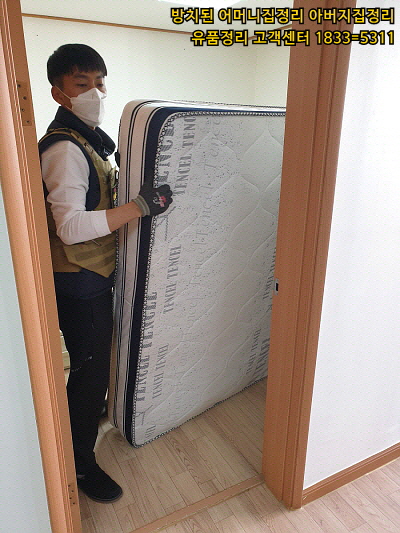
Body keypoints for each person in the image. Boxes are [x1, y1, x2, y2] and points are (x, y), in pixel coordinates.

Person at [39, 44, 172, 503]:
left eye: (99, 82)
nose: (95, 92)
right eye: (82, 83)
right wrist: (137, 208)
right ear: (58, 93)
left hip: (91, 274)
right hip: (78, 279)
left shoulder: (90, 142)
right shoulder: (64, 149)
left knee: (93, 366)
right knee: (90, 370)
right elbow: (71, 227)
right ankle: (79, 464)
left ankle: (85, 420)